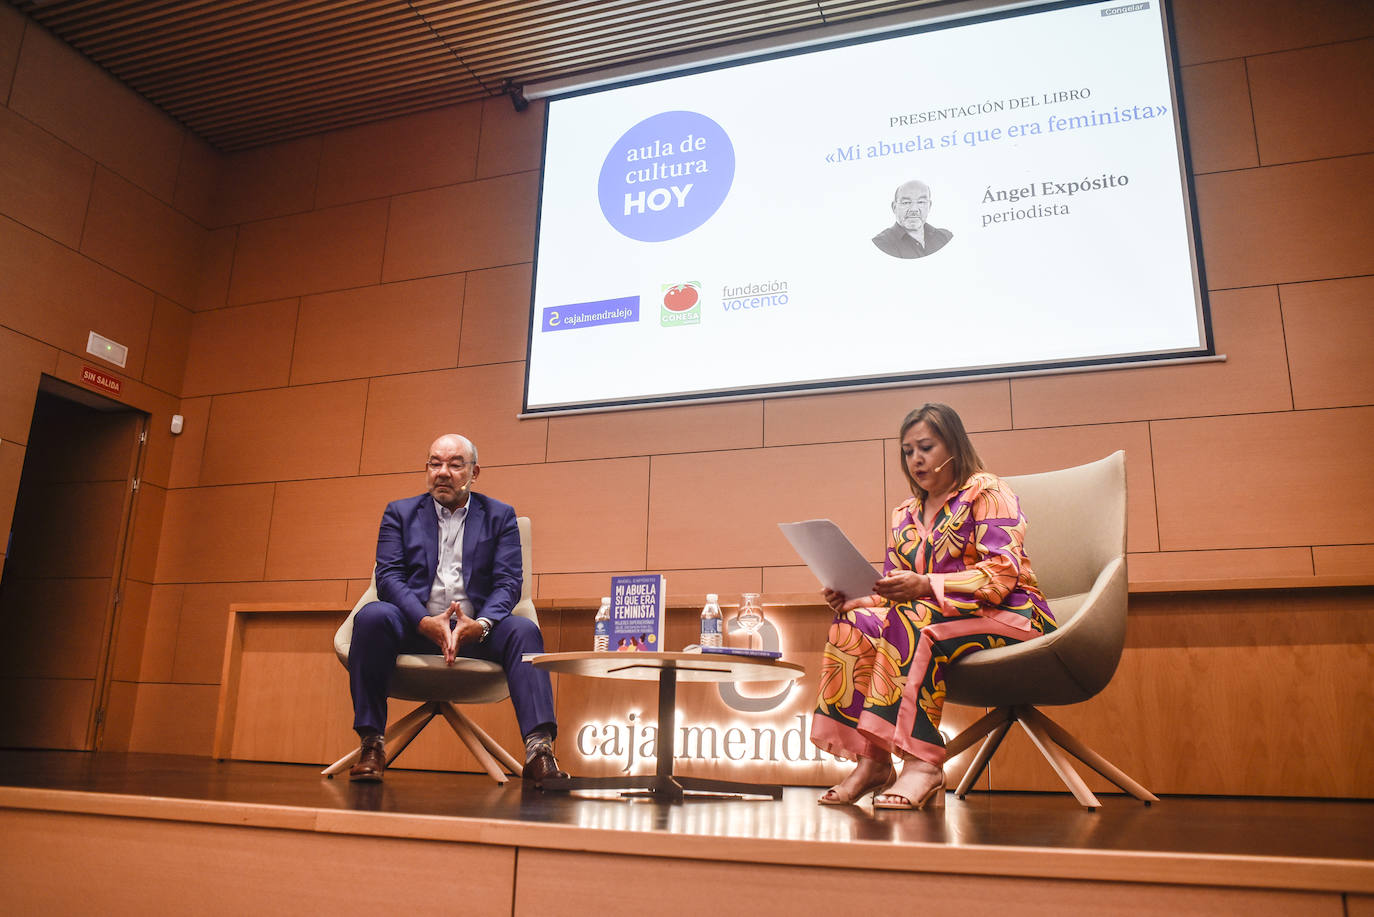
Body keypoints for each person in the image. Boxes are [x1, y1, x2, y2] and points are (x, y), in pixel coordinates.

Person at [810, 403, 1056, 809]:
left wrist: (925, 585)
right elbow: (896, 590)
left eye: (926, 446)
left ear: (953, 446)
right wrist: (854, 598)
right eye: (908, 451)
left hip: (1013, 615)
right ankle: (872, 761)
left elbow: (1001, 575)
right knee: (853, 623)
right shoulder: (904, 513)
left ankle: (922, 763)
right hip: (932, 615)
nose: (916, 459)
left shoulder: (988, 492)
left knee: (913, 616)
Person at [346, 433, 567, 785]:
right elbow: (388, 577)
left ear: (474, 472)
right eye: (435, 463)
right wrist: (423, 621)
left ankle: (540, 753)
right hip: (412, 628)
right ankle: (372, 744)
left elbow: (509, 582)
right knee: (372, 617)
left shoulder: (499, 516)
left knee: (524, 631)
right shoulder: (399, 513)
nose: (443, 472)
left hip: (476, 632)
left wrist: (479, 624)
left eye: (454, 464)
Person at [872, 179, 953, 259]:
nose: (914, 209)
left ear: (929, 206)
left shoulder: (945, 237)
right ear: (894, 207)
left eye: (921, 202)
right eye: (906, 202)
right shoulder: (881, 245)